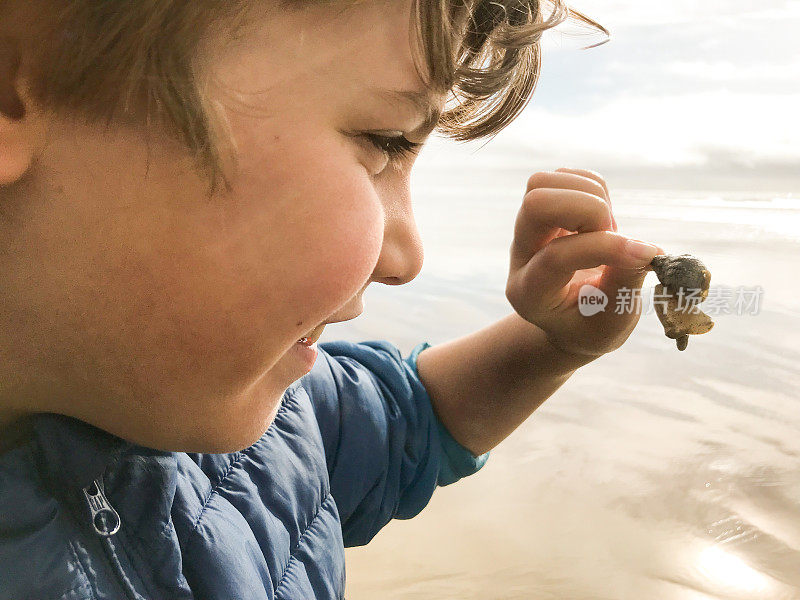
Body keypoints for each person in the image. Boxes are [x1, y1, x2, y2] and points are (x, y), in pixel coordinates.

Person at [0, 0, 663, 598]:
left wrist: (551, 344)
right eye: (384, 141)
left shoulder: (241, 413)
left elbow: (412, 421)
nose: (405, 259)